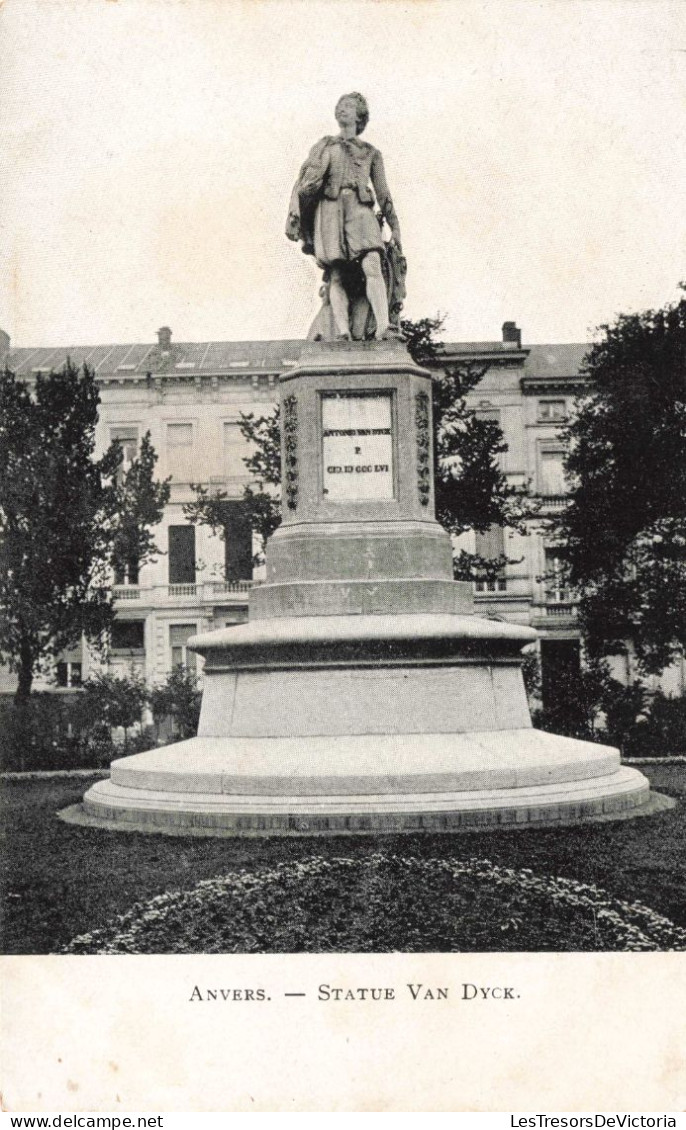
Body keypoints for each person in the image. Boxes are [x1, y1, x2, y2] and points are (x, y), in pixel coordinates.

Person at [286, 93, 404, 341]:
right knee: (336, 273)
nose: (342, 110)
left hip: (360, 209)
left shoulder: (371, 153)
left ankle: (383, 326)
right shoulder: (324, 146)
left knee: (372, 261)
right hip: (330, 211)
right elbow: (306, 181)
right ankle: (342, 331)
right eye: (340, 107)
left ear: (360, 116)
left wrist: (395, 226)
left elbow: (383, 192)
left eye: (349, 107)